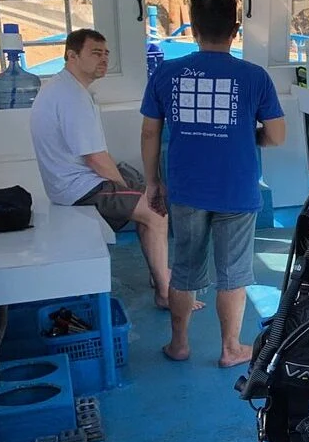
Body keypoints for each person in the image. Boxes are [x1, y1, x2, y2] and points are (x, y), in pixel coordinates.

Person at [140, 0, 286, 368]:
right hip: (236, 189)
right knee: (233, 274)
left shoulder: (166, 73)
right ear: (235, 29)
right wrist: (247, 135)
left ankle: (179, 344)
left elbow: (149, 133)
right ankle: (231, 348)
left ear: (194, 28)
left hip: (186, 188)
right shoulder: (254, 76)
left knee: (185, 267)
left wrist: (153, 182)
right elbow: (277, 135)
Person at [30, 28, 190, 310]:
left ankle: (159, 274)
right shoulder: (71, 97)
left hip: (74, 179)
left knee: (151, 198)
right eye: (95, 53)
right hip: (77, 187)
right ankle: (165, 293)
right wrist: (124, 187)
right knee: (155, 213)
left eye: (106, 54)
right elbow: (94, 158)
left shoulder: (66, 87)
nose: (103, 59)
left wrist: (132, 187)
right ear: (71, 56)